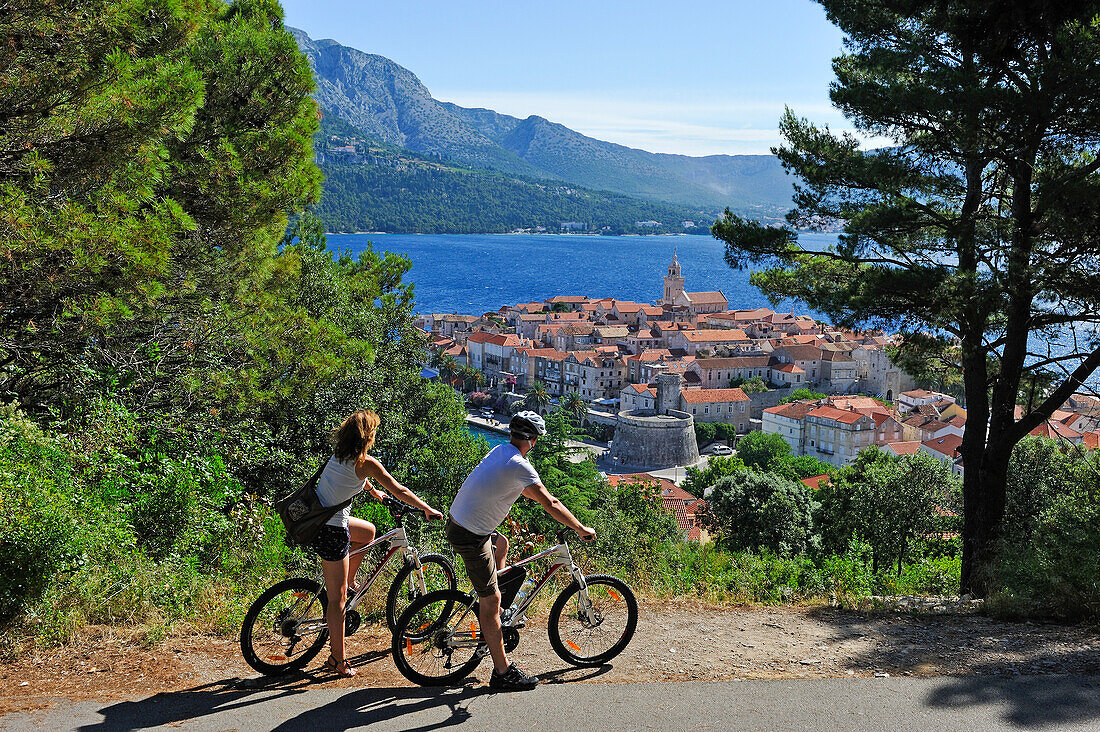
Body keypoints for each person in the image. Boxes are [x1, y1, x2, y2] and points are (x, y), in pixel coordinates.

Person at [446, 411, 596, 691]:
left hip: (459, 523)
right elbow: (550, 502)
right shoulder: (521, 466)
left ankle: (496, 612)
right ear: (533, 440)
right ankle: (502, 673)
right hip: (470, 535)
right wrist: (579, 527)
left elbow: (525, 491)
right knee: (490, 603)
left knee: (501, 544)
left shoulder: (501, 451)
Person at [312, 409, 444, 678]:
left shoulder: (339, 455)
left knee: (369, 532)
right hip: (332, 531)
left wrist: (373, 492)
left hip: (318, 520)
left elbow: (353, 479)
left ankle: (349, 581)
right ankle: (337, 659)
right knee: (337, 601)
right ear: (367, 436)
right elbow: (401, 490)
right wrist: (426, 508)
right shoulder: (367, 463)